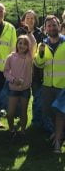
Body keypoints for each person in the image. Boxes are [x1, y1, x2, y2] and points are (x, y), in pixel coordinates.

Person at [34, 15, 65, 153]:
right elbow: (38, 64)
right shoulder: (42, 44)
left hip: (62, 86)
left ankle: (57, 142)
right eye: (49, 26)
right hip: (47, 85)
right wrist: (40, 53)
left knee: (59, 113)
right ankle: (60, 134)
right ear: (45, 29)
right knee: (48, 111)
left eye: (54, 25)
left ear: (59, 26)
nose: (52, 28)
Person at [17, 10, 46, 129]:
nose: (29, 20)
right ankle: (20, 116)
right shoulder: (18, 32)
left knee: (37, 97)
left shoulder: (41, 34)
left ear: (35, 20)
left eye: (32, 18)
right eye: (27, 18)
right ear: (23, 20)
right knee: (21, 96)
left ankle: (36, 121)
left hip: (36, 70)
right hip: (21, 69)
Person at [4, 34, 36, 138]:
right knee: (10, 113)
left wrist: (29, 33)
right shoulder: (11, 57)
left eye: (25, 44)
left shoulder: (30, 57)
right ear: (17, 44)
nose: (22, 46)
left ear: (28, 46)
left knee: (23, 111)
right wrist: (13, 80)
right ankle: (11, 129)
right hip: (13, 89)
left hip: (25, 89)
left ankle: (22, 131)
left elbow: (33, 43)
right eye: (20, 43)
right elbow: (5, 72)